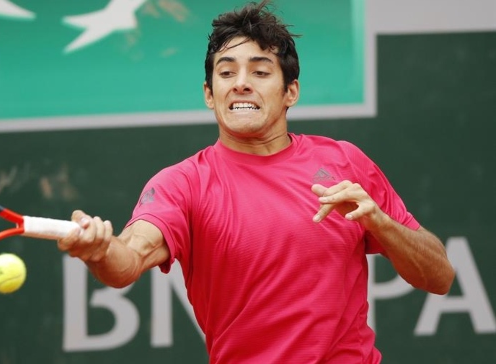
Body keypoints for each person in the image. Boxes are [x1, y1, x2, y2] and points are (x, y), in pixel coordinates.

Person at [57, 1, 455, 362]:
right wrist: (99, 250)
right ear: (210, 95)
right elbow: (128, 260)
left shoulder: (344, 162)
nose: (241, 82)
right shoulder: (183, 184)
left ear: (290, 92)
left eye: (260, 71)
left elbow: (439, 277)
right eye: (226, 72)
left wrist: (381, 225)